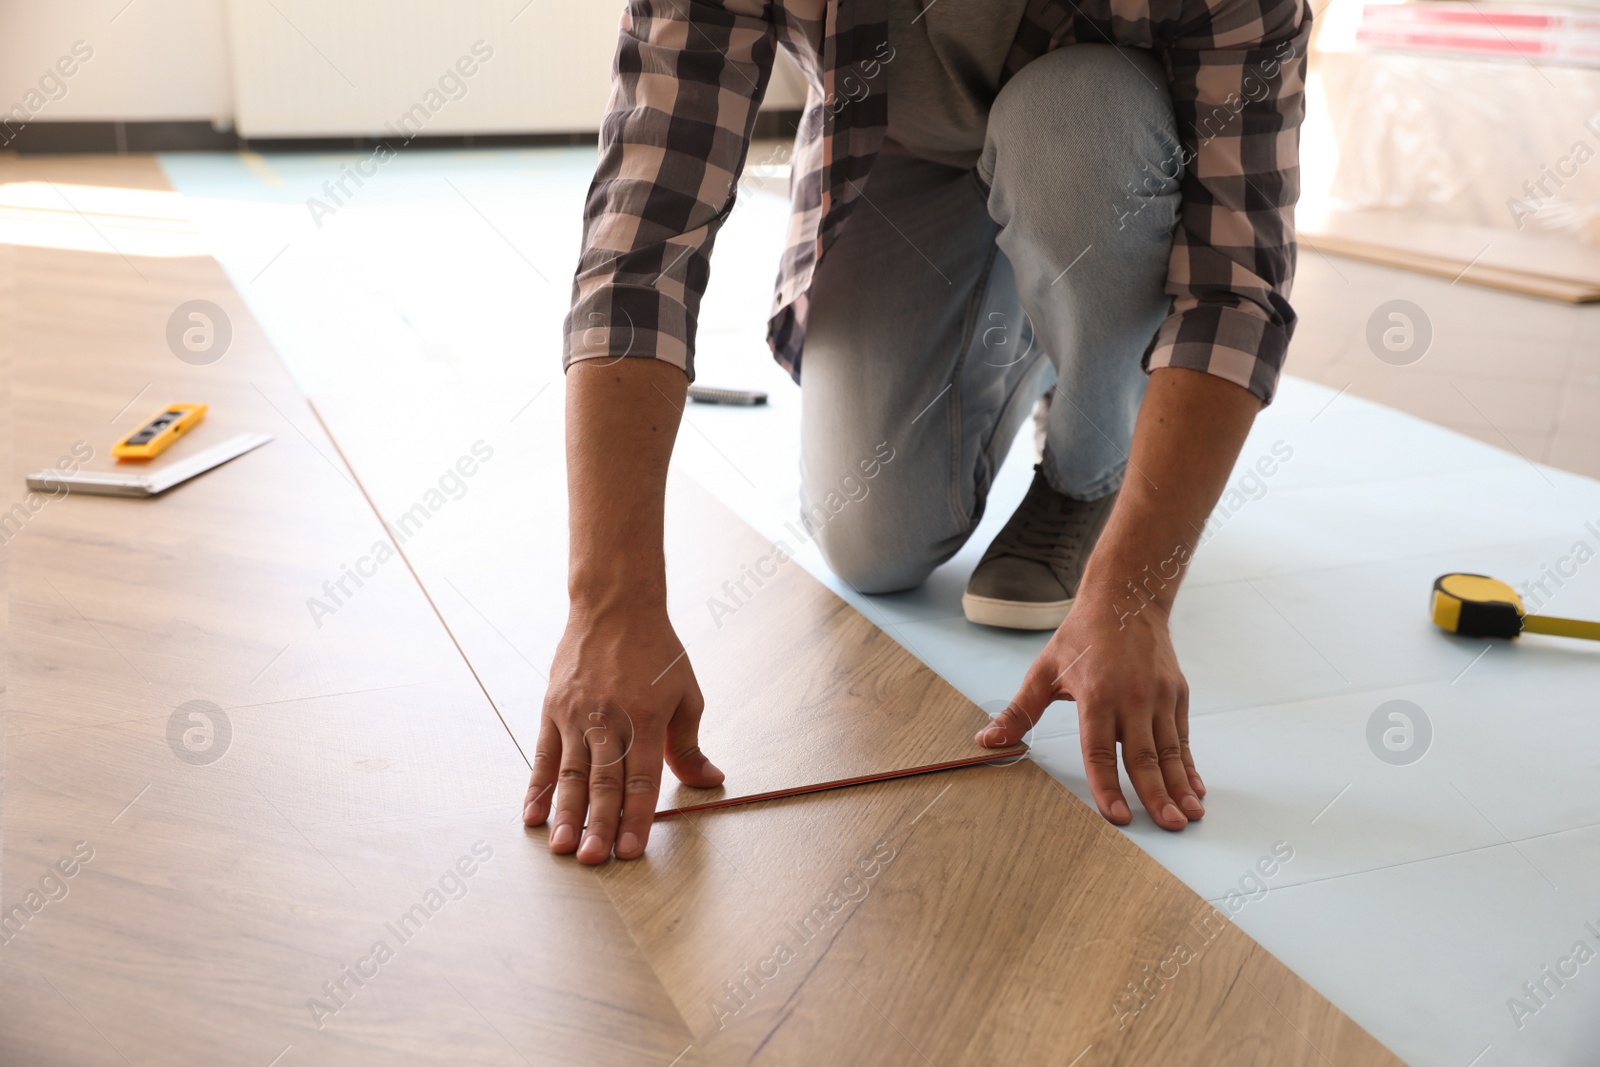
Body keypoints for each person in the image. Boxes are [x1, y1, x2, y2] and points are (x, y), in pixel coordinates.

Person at [523, 0, 1311, 864]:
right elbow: (640, 247)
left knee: (1074, 126)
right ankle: (1046, 331)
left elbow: (1235, 289)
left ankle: (1093, 452)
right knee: (871, 541)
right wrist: (610, 602)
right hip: (894, 165)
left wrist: (1135, 593)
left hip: (1095, 163)